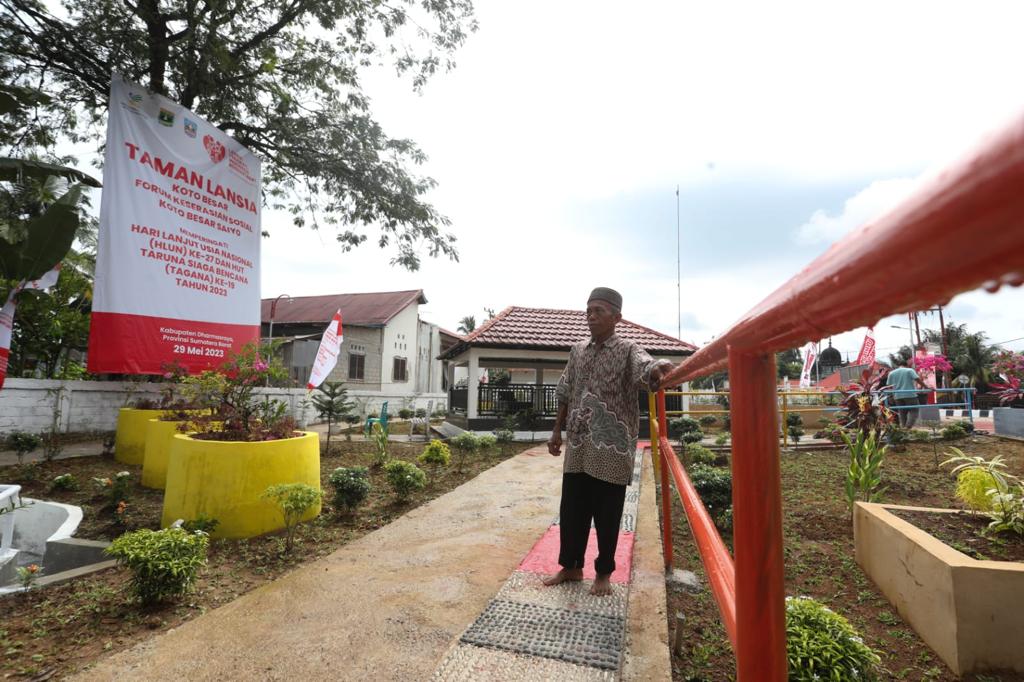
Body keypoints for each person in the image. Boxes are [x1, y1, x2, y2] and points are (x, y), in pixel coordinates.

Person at [544, 287, 673, 596]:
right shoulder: (577, 351)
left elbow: (645, 368)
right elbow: (565, 390)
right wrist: (556, 430)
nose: (591, 316)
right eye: (588, 310)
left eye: (598, 311)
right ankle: (572, 567)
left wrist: (655, 368)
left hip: (612, 450)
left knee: (607, 513)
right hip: (578, 446)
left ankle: (603, 573)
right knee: (572, 509)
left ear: (617, 317)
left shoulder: (628, 349)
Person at [884, 358, 928, 428]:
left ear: (899, 365)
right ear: (906, 365)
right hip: (910, 395)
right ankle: (907, 427)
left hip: (897, 396)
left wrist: (892, 395)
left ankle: (903, 428)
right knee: (914, 410)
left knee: (902, 413)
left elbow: (888, 386)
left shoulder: (891, 373)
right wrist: (926, 387)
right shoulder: (909, 370)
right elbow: (917, 379)